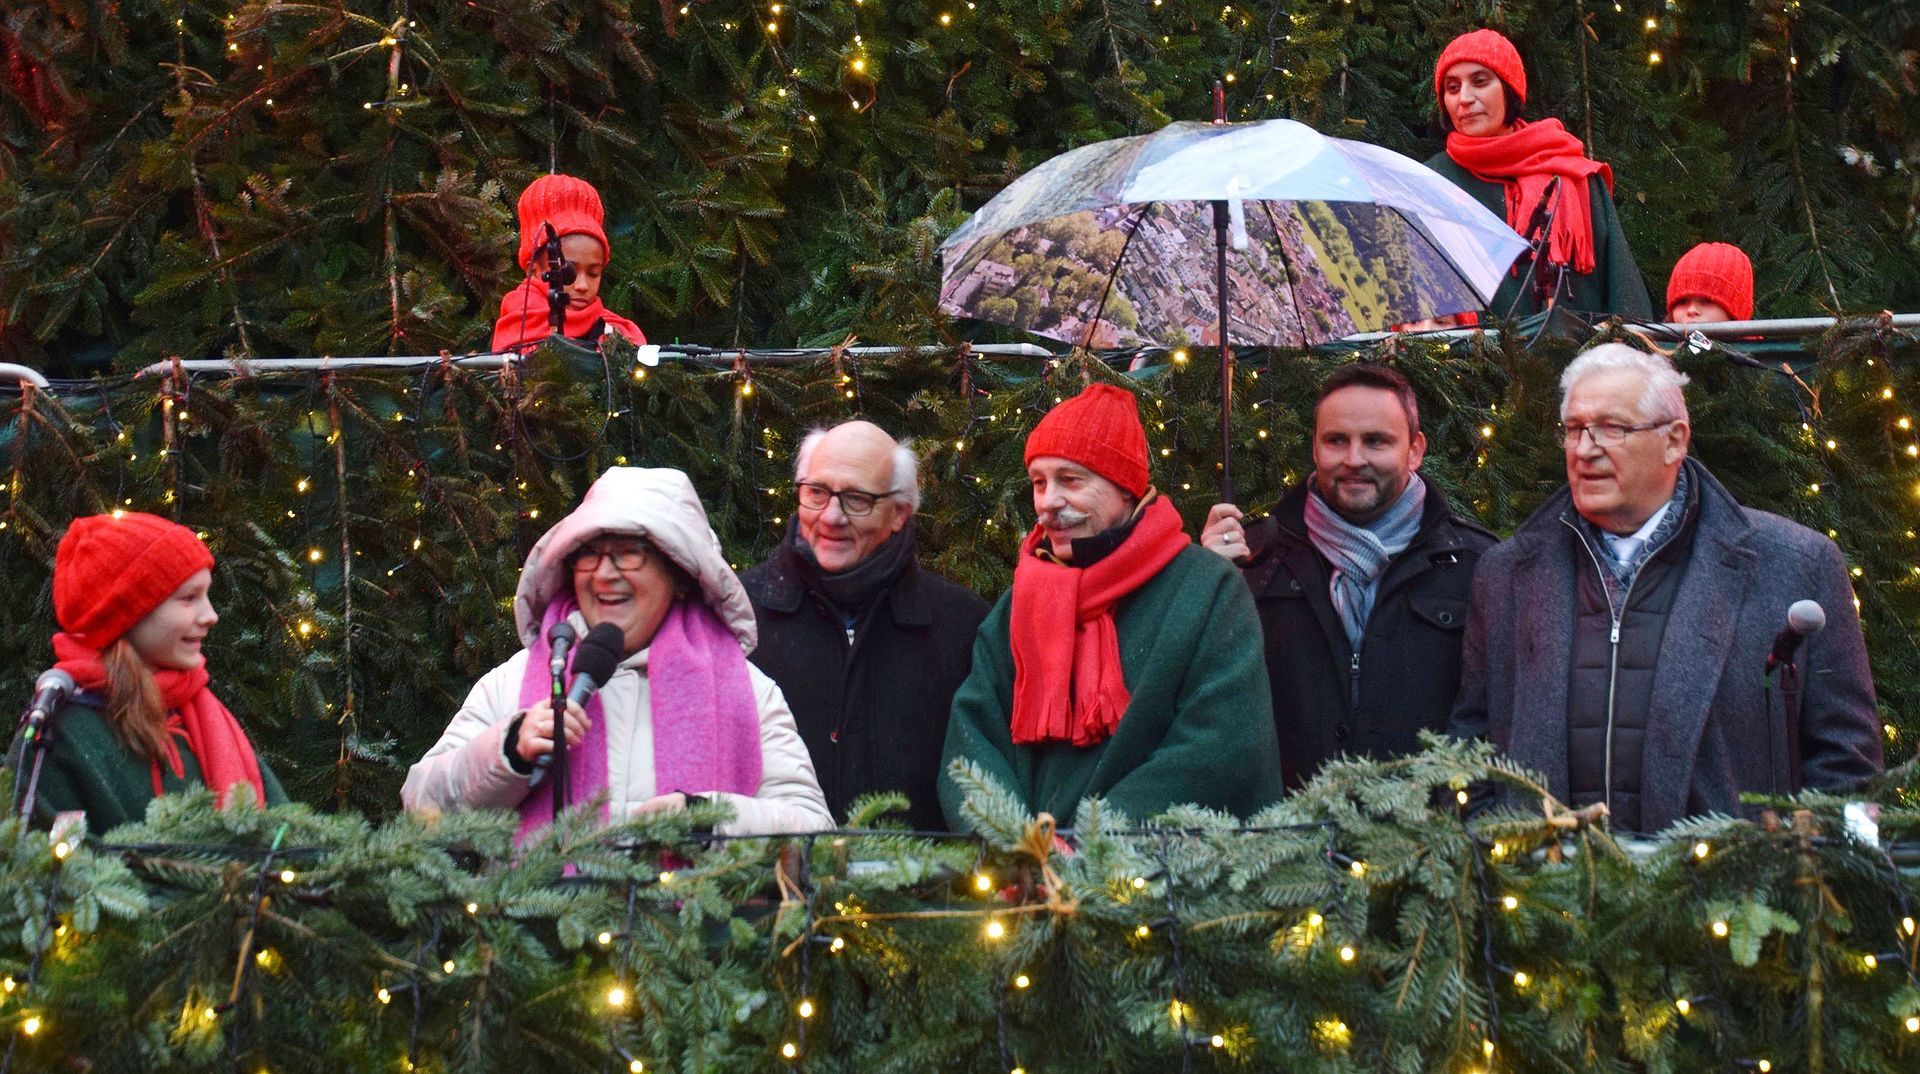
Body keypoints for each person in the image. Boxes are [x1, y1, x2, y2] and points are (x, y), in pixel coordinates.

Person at [1449, 344, 1882, 831]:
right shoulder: (1506, 573)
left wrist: (1792, 882)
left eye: (1612, 428)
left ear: (1674, 440)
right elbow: (1472, 745)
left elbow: (1846, 765)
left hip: (1728, 896)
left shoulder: (1795, 564)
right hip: (1545, 893)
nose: (1586, 449)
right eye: (1574, 429)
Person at [402, 467, 832, 837]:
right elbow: (420, 811)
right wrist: (507, 750)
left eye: (630, 554)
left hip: (692, 933)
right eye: (588, 555)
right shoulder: (511, 684)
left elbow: (814, 834)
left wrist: (708, 821)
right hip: (532, 932)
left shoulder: (748, 692)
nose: (605, 574)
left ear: (681, 575)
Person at [938, 383, 1283, 827]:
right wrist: (1016, 848)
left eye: (1071, 480)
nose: (1048, 503)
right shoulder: (1020, 600)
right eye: (1039, 483)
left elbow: (1222, 745)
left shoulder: (1207, 589)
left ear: (1125, 488)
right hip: (1026, 883)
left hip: (1160, 877)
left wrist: (1094, 845)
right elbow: (974, 743)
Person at [1201, 364, 1493, 789]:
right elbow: (1206, 707)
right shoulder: (1251, 561)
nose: (1354, 460)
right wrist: (1205, 584)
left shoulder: (1477, 565)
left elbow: (1494, 722)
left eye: (1376, 441)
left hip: (1428, 839)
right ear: (1315, 448)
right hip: (1281, 838)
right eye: (1337, 440)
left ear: (1415, 449)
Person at [741, 421, 989, 830]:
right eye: (817, 493)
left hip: (921, 884)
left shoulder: (961, 626)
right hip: (768, 884)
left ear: (899, 514)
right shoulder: (739, 614)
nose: (832, 517)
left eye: (857, 499)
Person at [21, 512, 287, 829]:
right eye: (189, 598)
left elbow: (286, 835)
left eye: (206, 595)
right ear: (126, 615)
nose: (211, 615)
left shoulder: (198, 709)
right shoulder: (61, 733)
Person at [1425, 29, 1652, 321]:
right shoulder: (1433, 180)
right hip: (1473, 361)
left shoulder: (1573, 173)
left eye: (1480, 82)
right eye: (1452, 88)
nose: (1464, 98)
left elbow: (1623, 290)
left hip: (1579, 359)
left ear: (1509, 90)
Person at [491, 173, 647, 353]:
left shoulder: (614, 330)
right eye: (568, 274)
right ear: (533, 270)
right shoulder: (520, 325)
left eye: (593, 274)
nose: (582, 286)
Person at [1666, 242, 1754, 324]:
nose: (1691, 310)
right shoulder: (1658, 339)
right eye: (1682, 301)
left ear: (1735, 311)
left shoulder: (1763, 338)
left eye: (1706, 301)